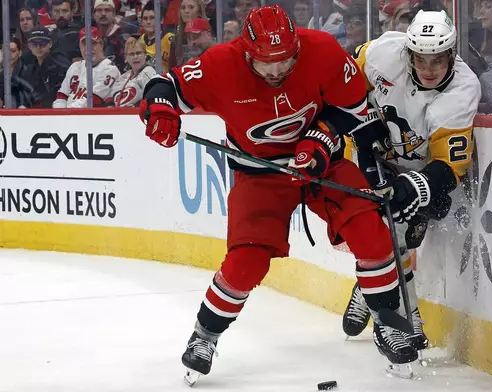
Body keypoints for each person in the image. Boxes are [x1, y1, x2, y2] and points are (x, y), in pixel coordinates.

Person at [139, 5, 424, 384]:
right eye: (264, 62)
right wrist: (159, 109)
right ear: (245, 51)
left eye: (286, 60)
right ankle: (204, 336)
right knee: (246, 263)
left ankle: (388, 323)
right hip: (260, 177)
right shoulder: (219, 64)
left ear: (297, 47)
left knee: (372, 234)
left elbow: (354, 109)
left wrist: (321, 138)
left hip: (324, 166)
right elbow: (166, 86)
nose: (276, 70)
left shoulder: (321, 49)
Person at [341, 10, 481, 358]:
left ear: (451, 54)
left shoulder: (462, 91)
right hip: (369, 150)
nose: (429, 68)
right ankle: (406, 317)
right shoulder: (383, 53)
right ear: (408, 54)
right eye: (421, 59)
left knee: (401, 229)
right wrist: (364, 121)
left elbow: (449, 165)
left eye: (438, 60)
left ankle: (372, 290)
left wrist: (416, 187)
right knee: (388, 232)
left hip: (420, 166)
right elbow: (341, 79)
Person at [53, 26, 120, 108]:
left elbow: (93, 100)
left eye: (93, 43)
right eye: (84, 44)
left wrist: (67, 113)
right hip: (69, 115)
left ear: (101, 44)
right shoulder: (75, 66)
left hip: (92, 117)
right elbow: (61, 96)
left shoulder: (109, 69)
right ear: (80, 46)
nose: (88, 48)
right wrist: (59, 113)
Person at [109, 38, 156, 107]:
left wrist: (136, 106)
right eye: (131, 54)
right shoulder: (123, 77)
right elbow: (112, 98)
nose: (135, 57)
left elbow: (153, 98)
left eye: (138, 53)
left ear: (145, 55)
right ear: (126, 57)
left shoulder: (149, 72)